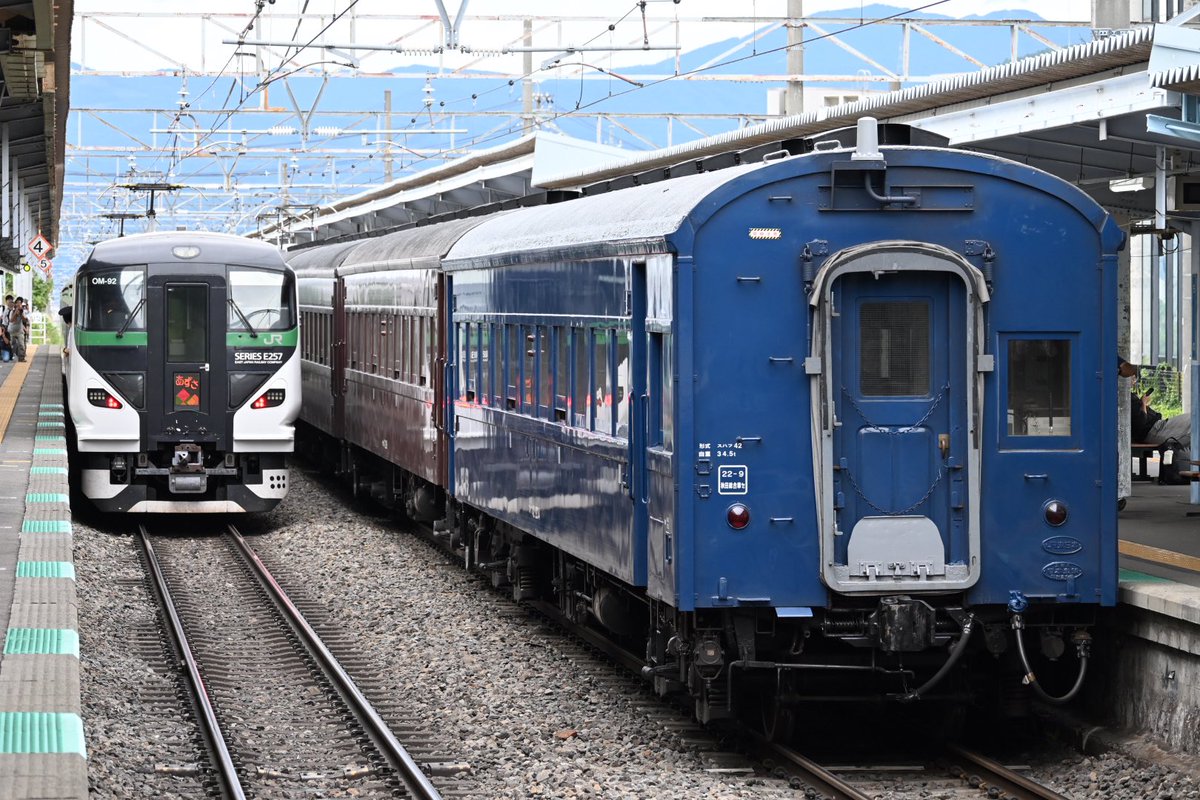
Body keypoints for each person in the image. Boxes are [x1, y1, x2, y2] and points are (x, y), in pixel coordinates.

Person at [1122, 358, 1190, 448]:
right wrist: (1143, 403)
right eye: (1132, 377)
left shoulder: (1127, 397)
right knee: (1193, 420)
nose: (1134, 380)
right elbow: (1141, 422)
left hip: (1158, 426)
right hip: (1154, 430)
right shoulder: (1126, 399)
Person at [7, 298, 26, 363]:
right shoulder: (12, 311)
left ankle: (21, 358)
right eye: (17, 303)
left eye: (20, 303)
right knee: (13, 345)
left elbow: (24, 320)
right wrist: (15, 312)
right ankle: (16, 354)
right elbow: (12, 320)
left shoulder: (22, 311)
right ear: (15, 304)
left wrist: (21, 314)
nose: (18, 304)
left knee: (22, 345)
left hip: (19, 331)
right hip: (12, 331)